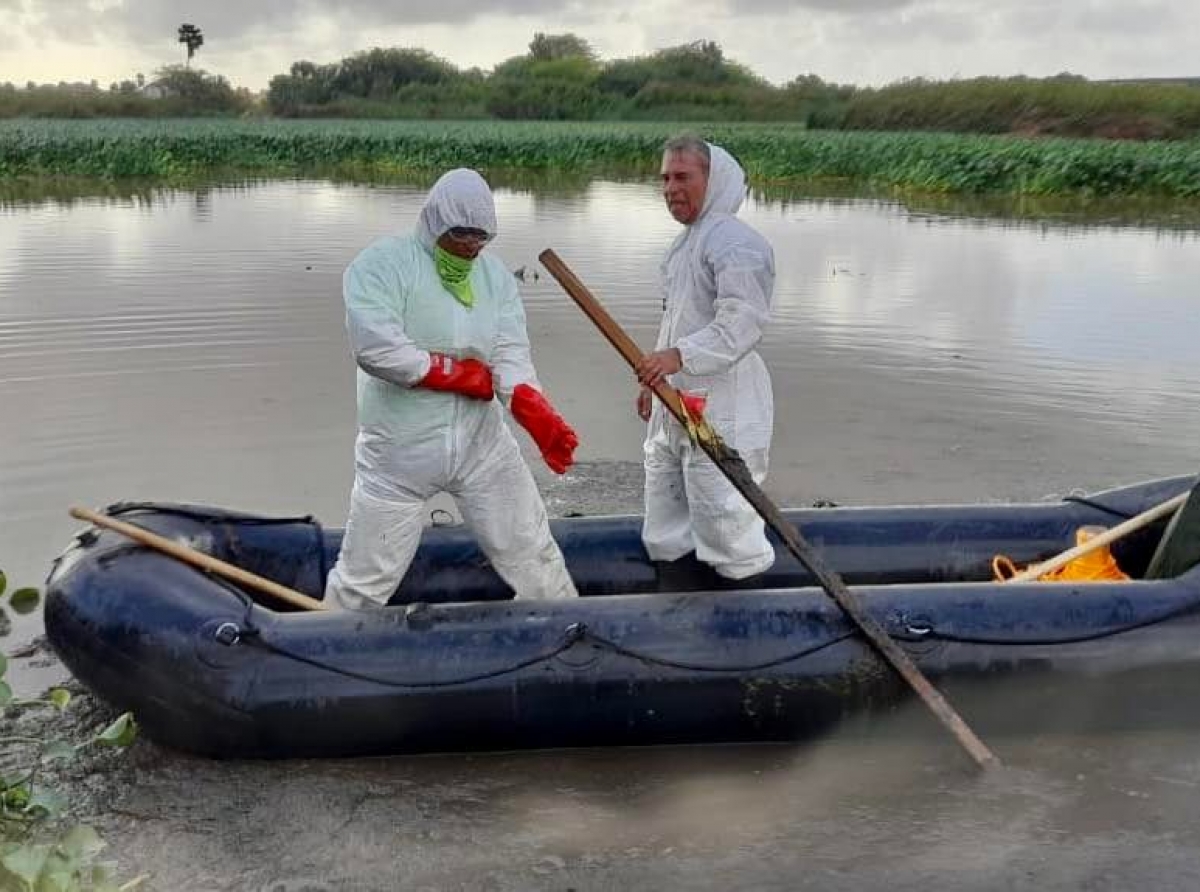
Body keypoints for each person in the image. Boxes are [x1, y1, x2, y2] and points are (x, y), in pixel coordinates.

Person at [324, 169, 580, 609]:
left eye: (480, 237)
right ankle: (322, 650)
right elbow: (374, 346)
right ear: (435, 221)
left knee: (536, 558)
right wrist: (452, 373)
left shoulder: (495, 278)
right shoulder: (382, 265)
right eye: (461, 234)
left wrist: (533, 408)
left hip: (483, 449)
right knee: (361, 585)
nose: (470, 245)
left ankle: (571, 641)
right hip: (399, 457)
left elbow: (510, 353)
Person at [633, 136, 777, 581]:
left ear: (712, 182)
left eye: (682, 177)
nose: (670, 188)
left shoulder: (736, 243)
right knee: (666, 507)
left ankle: (740, 610)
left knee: (723, 512)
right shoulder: (680, 249)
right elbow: (675, 322)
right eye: (665, 178)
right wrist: (652, 384)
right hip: (678, 402)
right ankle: (675, 597)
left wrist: (679, 356)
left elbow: (743, 322)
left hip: (721, 406)